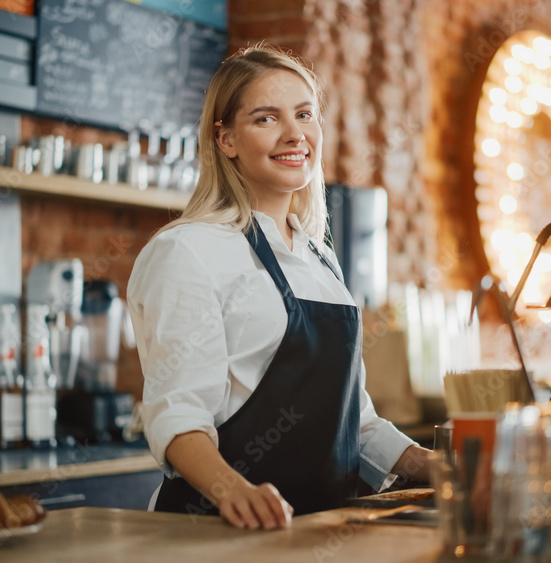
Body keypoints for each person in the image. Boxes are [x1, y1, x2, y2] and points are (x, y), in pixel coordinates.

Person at [127, 45, 433, 531]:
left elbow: (354, 421)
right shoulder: (188, 251)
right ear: (225, 140)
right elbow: (177, 414)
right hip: (215, 532)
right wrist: (236, 493)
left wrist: (433, 464)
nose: (295, 134)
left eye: (304, 114)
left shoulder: (318, 257)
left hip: (317, 532)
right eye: (266, 118)